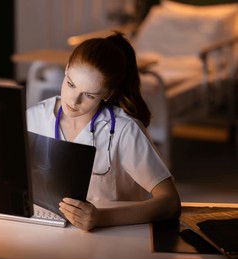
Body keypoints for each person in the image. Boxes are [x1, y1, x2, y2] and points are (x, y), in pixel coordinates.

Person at [26, 31, 181, 231]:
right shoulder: (34, 117)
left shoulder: (125, 130)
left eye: (89, 95)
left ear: (108, 93)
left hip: (113, 238)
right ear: (66, 70)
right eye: (71, 84)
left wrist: (102, 218)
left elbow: (170, 203)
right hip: (48, 234)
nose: (73, 101)